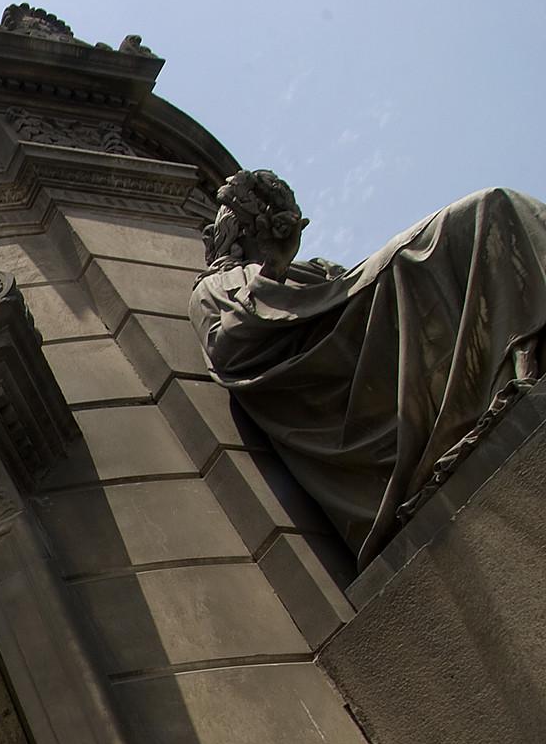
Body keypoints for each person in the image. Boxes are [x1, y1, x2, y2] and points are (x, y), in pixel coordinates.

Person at [189, 170, 546, 567]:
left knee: (497, 211)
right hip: (343, 373)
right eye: (254, 217)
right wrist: (273, 267)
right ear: (230, 232)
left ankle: (520, 355)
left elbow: (350, 289)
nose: (267, 223)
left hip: (376, 327)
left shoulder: (314, 267)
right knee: (486, 210)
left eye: (273, 214)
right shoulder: (216, 286)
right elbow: (229, 351)